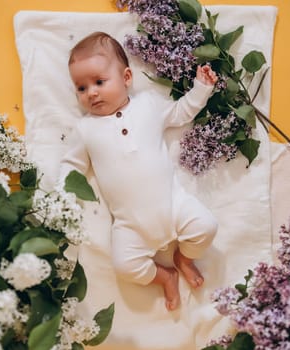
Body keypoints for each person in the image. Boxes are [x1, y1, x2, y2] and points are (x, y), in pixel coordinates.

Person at [60, 31, 218, 310]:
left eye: (99, 82)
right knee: (125, 266)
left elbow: (181, 112)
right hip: (130, 224)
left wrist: (201, 88)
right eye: (81, 88)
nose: (91, 93)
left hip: (173, 205)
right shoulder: (85, 129)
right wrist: (61, 195)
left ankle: (184, 258)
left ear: (127, 78)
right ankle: (165, 276)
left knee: (206, 227)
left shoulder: (148, 105)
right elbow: (71, 165)